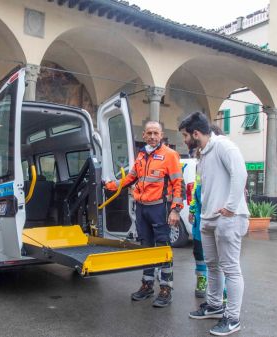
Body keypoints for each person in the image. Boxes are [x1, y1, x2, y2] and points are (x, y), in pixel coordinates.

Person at [180, 112, 249, 336]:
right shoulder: (203, 154)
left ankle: (232, 318)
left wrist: (230, 206)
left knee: (231, 269)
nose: (184, 140)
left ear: (196, 133)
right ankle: (215, 305)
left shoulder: (223, 146)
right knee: (212, 265)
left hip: (228, 218)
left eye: (185, 136)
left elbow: (240, 174)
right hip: (209, 219)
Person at [104, 120, 184, 308]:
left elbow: (178, 184)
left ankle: (166, 289)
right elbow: (129, 178)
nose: (153, 136)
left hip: (160, 209)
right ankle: (147, 285)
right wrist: (108, 185)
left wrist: (175, 210)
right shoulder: (141, 157)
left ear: (162, 135)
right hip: (142, 208)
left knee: (162, 249)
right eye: (149, 133)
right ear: (144, 136)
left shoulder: (170, 155)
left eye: (156, 133)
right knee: (146, 248)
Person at [186, 124, 227, 300]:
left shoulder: (223, 155)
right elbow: (197, 187)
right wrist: (193, 209)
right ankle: (202, 281)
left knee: (221, 256)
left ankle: (223, 290)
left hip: (218, 214)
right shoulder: (199, 161)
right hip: (200, 216)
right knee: (200, 251)